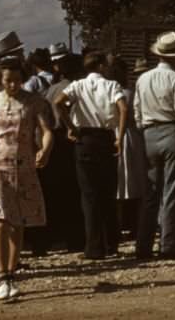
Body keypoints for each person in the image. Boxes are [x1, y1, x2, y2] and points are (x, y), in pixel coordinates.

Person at [0, 57, 54, 302]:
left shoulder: (34, 102)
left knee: (18, 221)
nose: (13, 85)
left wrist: (45, 150)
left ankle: (12, 271)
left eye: (17, 80)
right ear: (1, 79)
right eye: (8, 80)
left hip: (23, 165)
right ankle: (2, 277)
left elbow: (47, 130)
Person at [53, 51, 127, 260]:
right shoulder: (112, 86)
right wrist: (119, 136)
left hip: (84, 139)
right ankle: (111, 242)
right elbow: (123, 108)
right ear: (102, 66)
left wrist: (70, 126)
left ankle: (94, 247)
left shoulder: (77, 86)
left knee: (89, 196)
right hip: (106, 138)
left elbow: (58, 103)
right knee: (108, 192)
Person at [134, 32, 175, 259]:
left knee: (150, 192)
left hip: (149, 133)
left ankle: (143, 245)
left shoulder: (143, 79)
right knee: (171, 190)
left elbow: (137, 112)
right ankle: (169, 243)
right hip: (172, 131)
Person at [39, 47, 84, 252]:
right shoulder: (74, 89)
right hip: (69, 138)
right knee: (73, 191)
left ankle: (50, 238)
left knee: (54, 192)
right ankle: (74, 239)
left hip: (52, 140)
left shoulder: (49, 90)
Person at [117, 58, 148, 240]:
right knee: (135, 180)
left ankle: (122, 224)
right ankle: (135, 224)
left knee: (122, 182)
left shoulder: (114, 92)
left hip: (120, 135)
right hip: (133, 136)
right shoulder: (131, 93)